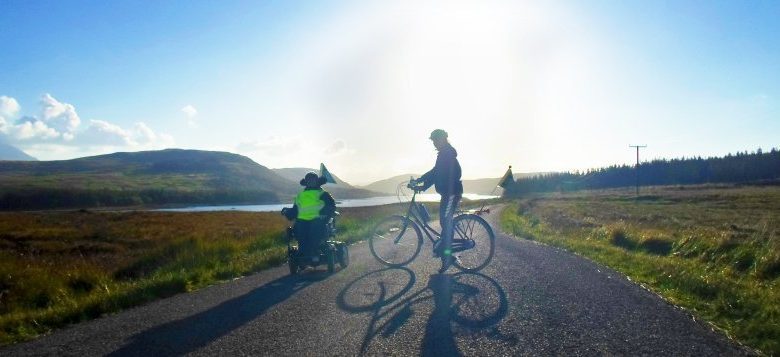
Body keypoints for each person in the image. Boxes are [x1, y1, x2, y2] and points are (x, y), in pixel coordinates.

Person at [414, 129, 463, 273]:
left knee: (446, 221)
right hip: (448, 192)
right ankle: (446, 252)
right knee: (445, 221)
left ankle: (448, 256)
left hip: (451, 192)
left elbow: (437, 173)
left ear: (443, 139)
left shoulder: (446, 153)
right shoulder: (444, 153)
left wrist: (423, 184)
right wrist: (422, 181)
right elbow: (436, 171)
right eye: (433, 140)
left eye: (436, 140)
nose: (434, 143)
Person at [282, 172, 336, 260]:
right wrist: (288, 212)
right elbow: (295, 209)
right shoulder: (300, 195)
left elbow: (331, 206)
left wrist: (324, 214)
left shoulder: (323, 194)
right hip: (302, 220)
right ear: (306, 182)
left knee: (314, 229)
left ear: (317, 181)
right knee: (298, 229)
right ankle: (303, 251)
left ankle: (314, 251)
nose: (311, 181)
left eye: (313, 179)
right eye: (309, 180)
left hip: (318, 219)